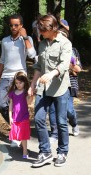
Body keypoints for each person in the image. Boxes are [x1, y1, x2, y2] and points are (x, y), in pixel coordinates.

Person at [28, 14, 72, 167]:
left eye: (43, 31)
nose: (40, 33)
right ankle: (45, 152)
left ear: (52, 28)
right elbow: (39, 67)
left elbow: (64, 65)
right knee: (39, 119)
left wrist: (51, 74)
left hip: (59, 88)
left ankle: (62, 152)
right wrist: (32, 84)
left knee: (61, 122)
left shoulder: (65, 43)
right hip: (43, 88)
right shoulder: (42, 44)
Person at [0, 14, 36, 146]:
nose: (13, 27)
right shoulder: (5, 40)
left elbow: (32, 55)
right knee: (0, 103)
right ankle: (16, 126)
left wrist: (25, 37)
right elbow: (2, 60)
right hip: (6, 77)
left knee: (20, 105)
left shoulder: (26, 39)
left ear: (21, 26)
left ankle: (17, 133)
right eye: (11, 25)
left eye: (16, 25)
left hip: (20, 77)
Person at [49, 31, 82, 142]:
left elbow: (78, 69)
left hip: (69, 85)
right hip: (54, 83)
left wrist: (68, 66)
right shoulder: (51, 48)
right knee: (53, 109)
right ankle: (54, 133)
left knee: (69, 110)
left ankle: (74, 123)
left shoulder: (73, 51)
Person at [8, 71, 33, 158]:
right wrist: (10, 116)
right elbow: (10, 105)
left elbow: (29, 102)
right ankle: (22, 145)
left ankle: (25, 151)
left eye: (20, 82)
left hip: (24, 116)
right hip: (15, 117)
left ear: (25, 82)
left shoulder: (25, 92)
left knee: (23, 134)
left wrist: (31, 96)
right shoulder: (12, 93)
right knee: (18, 134)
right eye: (16, 83)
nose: (18, 85)